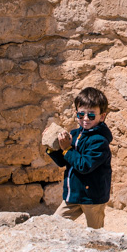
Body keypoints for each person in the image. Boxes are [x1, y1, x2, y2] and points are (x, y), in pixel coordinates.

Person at [47, 87, 112, 229]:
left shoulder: (99, 141)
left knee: (96, 235)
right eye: (81, 114)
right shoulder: (75, 134)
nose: (86, 119)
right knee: (54, 226)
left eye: (91, 115)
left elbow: (84, 165)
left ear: (102, 116)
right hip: (74, 196)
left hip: (93, 197)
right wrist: (52, 148)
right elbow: (64, 162)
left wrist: (67, 149)